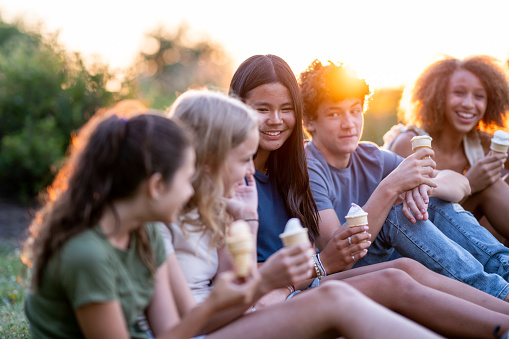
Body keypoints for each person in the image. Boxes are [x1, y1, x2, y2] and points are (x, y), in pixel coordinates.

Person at [226, 54, 509, 338]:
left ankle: (503, 293)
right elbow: (332, 253)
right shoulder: (248, 174)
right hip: (293, 284)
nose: (276, 120)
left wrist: (420, 184)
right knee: (397, 236)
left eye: (286, 109)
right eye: (262, 109)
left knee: (410, 246)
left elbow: (452, 182)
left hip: (309, 275)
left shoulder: (289, 167)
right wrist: (392, 187)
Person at [164, 89, 442, 338]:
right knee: (336, 297)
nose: (251, 169)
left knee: (400, 270)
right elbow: (195, 320)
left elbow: (238, 298)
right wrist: (268, 282)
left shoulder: (218, 210)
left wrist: (247, 220)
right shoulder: (161, 225)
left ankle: (488, 319)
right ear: (208, 159)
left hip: (229, 319)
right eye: (243, 159)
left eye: (286, 109)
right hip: (211, 326)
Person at [22, 105, 259, 339]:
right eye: (187, 180)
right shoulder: (87, 255)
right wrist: (218, 303)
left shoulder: (145, 233)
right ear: (156, 187)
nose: (190, 192)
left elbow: (168, 332)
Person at [299, 59, 509, 303]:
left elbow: (460, 184)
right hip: (340, 273)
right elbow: (338, 251)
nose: (349, 124)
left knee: (425, 197)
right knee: (396, 212)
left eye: (355, 111)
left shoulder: (370, 156)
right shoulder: (308, 166)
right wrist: (391, 187)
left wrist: (424, 187)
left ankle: (505, 270)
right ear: (309, 122)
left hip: (382, 257)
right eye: (334, 113)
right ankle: (500, 295)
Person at [385, 55, 509, 241]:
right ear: (438, 96)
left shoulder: (481, 142)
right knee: (488, 186)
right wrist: (471, 184)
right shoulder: (410, 142)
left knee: (494, 182)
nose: (469, 104)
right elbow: (405, 217)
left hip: (461, 236)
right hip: (417, 237)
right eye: (459, 93)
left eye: (479, 96)